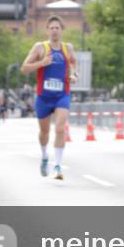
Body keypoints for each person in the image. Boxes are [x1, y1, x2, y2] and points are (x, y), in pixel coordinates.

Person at [21, 15, 77, 180]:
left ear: (61, 30)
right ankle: (45, 155)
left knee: (60, 129)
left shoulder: (68, 48)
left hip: (62, 95)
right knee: (44, 132)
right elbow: (24, 68)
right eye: (51, 28)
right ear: (47, 30)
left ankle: (58, 166)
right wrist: (41, 63)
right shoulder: (40, 47)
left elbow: (73, 63)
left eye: (57, 28)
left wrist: (74, 74)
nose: (54, 31)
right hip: (43, 97)